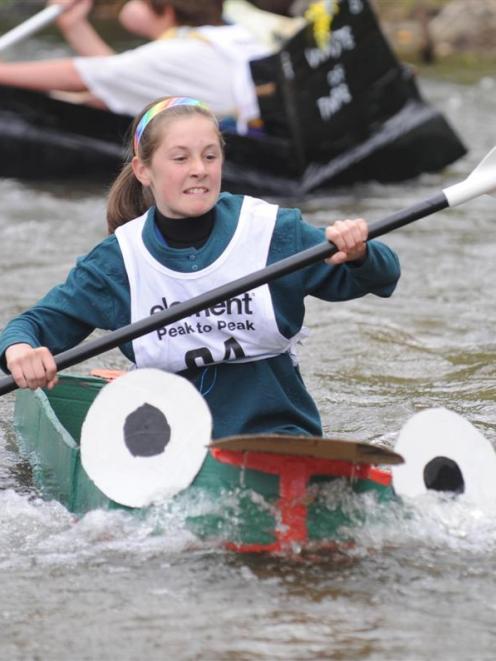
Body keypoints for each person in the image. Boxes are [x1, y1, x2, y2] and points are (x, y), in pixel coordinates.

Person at [0, 96, 401, 440]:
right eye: (180, 158)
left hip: (279, 436)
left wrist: (360, 253)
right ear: (143, 171)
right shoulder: (116, 262)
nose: (199, 169)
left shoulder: (271, 232)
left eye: (210, 156)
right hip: (167, 446)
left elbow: (383, 277)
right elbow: (30, 327)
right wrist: (20, 352)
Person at [0, 0, 270, 131]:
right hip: (263, 145)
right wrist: (73, 26)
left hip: (251, 159)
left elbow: (80, 75)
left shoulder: (174, 53)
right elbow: (120, 75)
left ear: (165, 9)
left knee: (87, 99)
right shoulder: (229, 34)